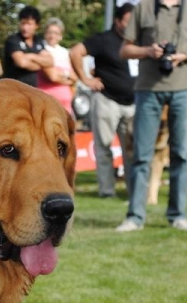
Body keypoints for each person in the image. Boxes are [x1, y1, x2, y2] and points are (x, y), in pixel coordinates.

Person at [115, 0, 187, 232]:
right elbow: (125, 50)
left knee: (180, 153)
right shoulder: (143, 8)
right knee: (141, 155)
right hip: (148, 89)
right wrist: (149, 51)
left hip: (183, 89)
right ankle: (135, 217)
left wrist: (184, 56)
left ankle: (178, 215)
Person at [70, 3, 136, 198]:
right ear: (117, 21)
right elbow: (75, 52)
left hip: (132, 103)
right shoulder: (103, 39)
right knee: (104, 148)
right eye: (127, 21)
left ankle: (134, 192)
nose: (131, 25)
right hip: (107, 101)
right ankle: (107, 191)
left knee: (132, 151)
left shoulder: (138, 40)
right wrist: (85, 79)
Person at [3, 5, 53, 87]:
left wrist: (31, 56)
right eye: (23, 23)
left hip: (32, 90)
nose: (25, 28)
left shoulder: (38, 41)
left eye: (29, 24)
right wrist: (40, 65)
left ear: (37, 25)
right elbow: (22, 63)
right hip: (12, 89)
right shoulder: (13, 40)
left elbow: (50, 61)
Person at [37, 17, 78, 115]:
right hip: (47, 102)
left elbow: (75, 78)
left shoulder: (65, 52)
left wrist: (61, 74)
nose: (52, 36)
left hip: (65, 105)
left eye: (56, 33)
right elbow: (53, 77)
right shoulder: (42, 50)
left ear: (60, 36)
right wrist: (67, 76)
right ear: (45, 34)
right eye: (50, 32)